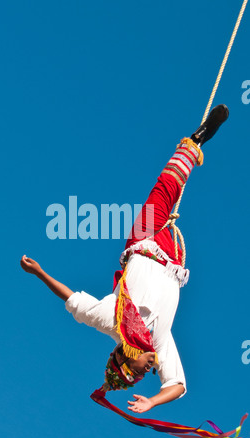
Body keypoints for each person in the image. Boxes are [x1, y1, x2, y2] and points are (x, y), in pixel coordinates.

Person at [20, 105, 229, 414]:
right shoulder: (159, 343)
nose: (149, 371)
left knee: (164, 189)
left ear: (125, 356)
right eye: (145, 376)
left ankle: (195, 141)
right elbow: (178, 385)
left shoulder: (110, 320)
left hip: (142, 243)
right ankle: (192, 147)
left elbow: (72, 300)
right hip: (171, 256)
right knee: (166, 192)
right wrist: (153, 401)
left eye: (140, 371)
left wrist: (39, 273)